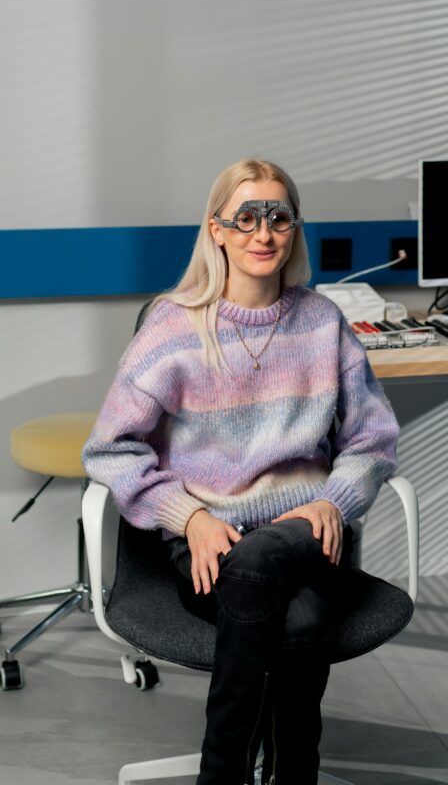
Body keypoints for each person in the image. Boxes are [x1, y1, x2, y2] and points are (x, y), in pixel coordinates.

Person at [82, 157, 399, 785]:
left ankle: (220, 775)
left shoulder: (323, 323)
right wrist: (190, 517)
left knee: (272, 564)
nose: (264, 233)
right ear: (218, 230)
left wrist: (334, 500)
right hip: (211, 544)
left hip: (309, 534)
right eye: (247, 217)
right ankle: (290, 774)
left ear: (294, 229)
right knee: (299, 617)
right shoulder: (173, 329)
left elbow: (373, 439)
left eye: (279, 217)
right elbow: (110, 449)